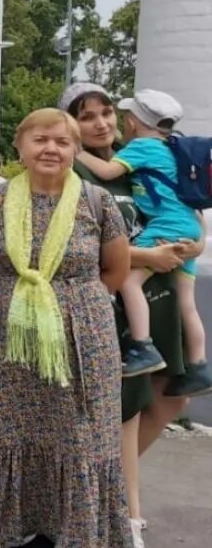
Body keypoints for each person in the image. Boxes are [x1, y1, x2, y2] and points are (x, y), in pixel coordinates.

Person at [0, 108, 131, 548]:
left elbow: (115, 270)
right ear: (19, 146)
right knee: (11, 430)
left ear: (76, 150)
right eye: (40, 139)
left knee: (81, 433)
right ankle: (15, 528)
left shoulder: (97, 202)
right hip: (12, 342)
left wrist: (75, 306)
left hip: (83, 341)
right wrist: (21, 306)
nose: (51, 149)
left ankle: (75, 531)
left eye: (62, 142)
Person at [63, 82, 203, 548]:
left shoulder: (139, 158)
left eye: (106, 112)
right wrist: (149, 258)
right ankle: (129, 517)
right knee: (129, 407)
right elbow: (79, 247)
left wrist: (192, 246)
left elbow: (190, 214)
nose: (101, 123)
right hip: (115, 307)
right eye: (87, 117)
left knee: (173, 399)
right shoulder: (79, 175)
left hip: (163, 299)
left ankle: (105, 489)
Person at [76, 89, 211, 386]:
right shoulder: (173, 148)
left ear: (134, 122)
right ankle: (199, 367)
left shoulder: (142, 148)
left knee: (128, 281)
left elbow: (108, 170)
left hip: (167, 227)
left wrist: (76, 149)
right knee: (187, 302)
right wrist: (199, 242)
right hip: (187, 225)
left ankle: (142, 346)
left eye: (124, 118)